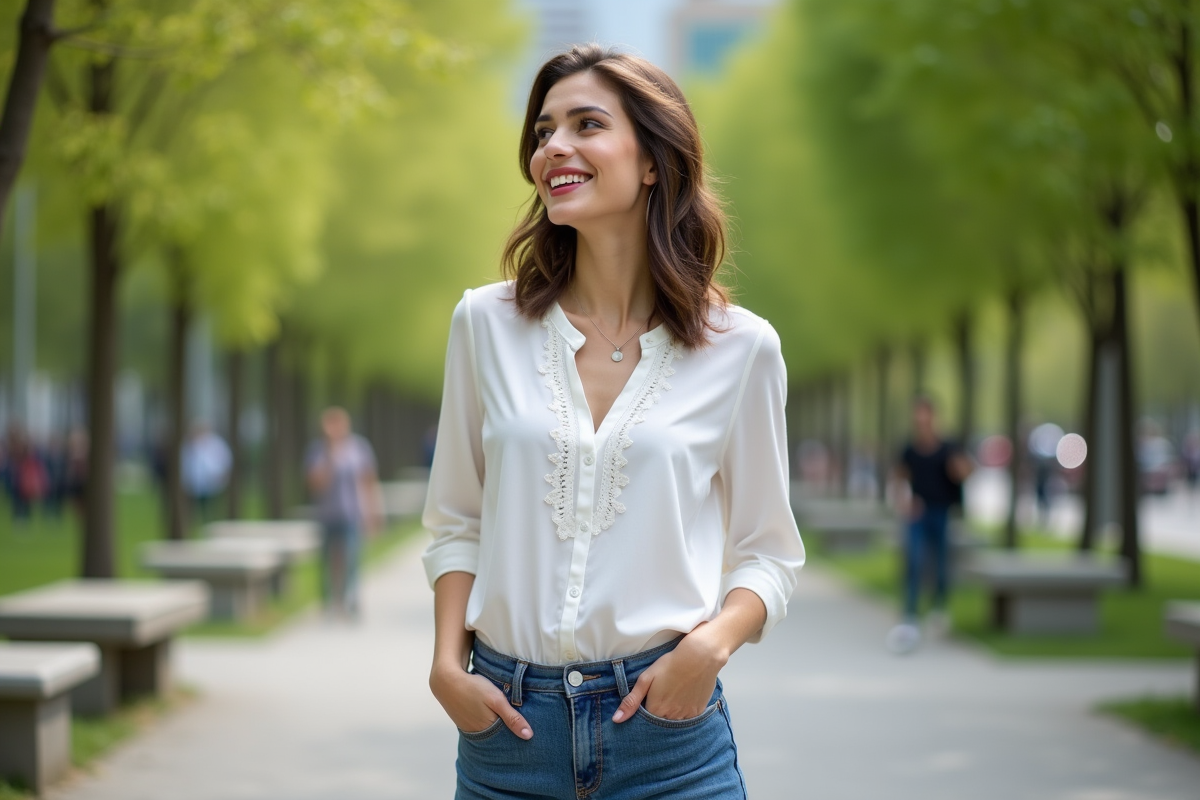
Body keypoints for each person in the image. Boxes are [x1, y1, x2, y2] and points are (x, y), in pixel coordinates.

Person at [422, 45, 805, 800]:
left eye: (585, 124)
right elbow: (457, 520)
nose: (552, 148)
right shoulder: (484, 324)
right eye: (542, 131)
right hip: (508, 731)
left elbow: (769, 554)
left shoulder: (743, 349)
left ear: (654, 160)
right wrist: (445, 668)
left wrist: (710, 648)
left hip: (667, 739)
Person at [887, 397, 972, 654]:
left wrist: (959, 468)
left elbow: (964, 472)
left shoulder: (948, 446)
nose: (921, 420)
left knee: (941, 562)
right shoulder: (909, 449)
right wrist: (904, 502)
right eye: (917, 415)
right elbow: (899, 478)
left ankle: (939, 608)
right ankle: (910, 613)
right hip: (917, 513)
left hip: (941, 511)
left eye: (925, 415)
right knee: (913, 559)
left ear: (933, 417)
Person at [305, 408, 382, 620]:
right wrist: (330, 454)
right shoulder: (318, 450)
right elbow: (315, 484)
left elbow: (368, 481)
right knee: (327, 561)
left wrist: (373, 512)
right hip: (327, 515)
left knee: (352, 558)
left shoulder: (359, 448)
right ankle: (329, 601)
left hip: (352, 513)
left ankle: (350, 600)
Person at [180, 422, 232, 525]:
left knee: (212, 511)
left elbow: (225, 461)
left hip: (212, 485)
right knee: (193, 513)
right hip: (193, 486)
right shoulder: (189, 445)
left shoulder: (216, 444)